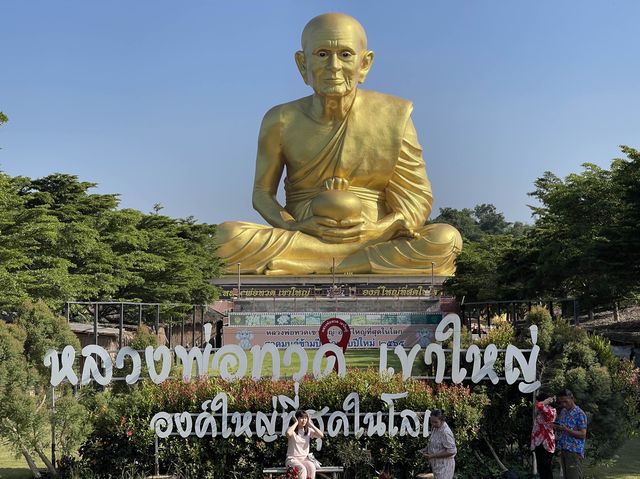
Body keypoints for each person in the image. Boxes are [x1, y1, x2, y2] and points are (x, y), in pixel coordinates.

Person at [216, 13, 462, 275]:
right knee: (224, 238)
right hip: (305, 233)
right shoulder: (280, 119)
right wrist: (293, 226)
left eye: (345, 54)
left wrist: (380, 228)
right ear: (302, 64)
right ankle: (344, 264)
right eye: (322, 54)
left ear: (364, 64)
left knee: (446, 239)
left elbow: (416, 198)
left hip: (372, 236)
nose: (333, 65)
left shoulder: (393, 115)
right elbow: (262, 194)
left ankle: (316, 265)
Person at [554, 389, 587, 479]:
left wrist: (566, 429)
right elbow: (562, 427)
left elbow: (583, 434)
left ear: (572, 398)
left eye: (566, 401)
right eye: (561, 402)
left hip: (574, 452)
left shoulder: (580, 414)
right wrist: (558, 428)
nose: (564, 404)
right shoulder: (563, 412)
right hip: (564, 450)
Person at [285, 410, 324, 479]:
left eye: (306, 418)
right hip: (292, 459)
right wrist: (296, 423)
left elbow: (321, 435)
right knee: (302, 469)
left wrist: (311, 424)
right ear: (297, 418)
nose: (304, 420)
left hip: (304, 459)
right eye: (301, 418)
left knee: (312, 467)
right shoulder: (292, 430)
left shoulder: (308, 431)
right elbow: (288, 433)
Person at [420, 410, 456, 479]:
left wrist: (433, 456)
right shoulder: (436, 428)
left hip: (445, 467)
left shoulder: (445, 432)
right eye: (432, 422)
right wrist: (426, 450)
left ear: (442, 420)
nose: (433, 424)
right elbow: (434, 442)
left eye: (435, 422)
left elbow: (452, 451)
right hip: (437, 466)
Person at [530, 392, 556, 479]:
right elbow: (538, 406)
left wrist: (546, 401)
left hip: (547, 444)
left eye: (538, 400)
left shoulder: (551, 410)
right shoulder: (539, 411)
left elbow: (539, 405)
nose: (536, 402)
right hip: (539, 443)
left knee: (546, 469)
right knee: (541, 469)